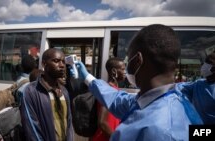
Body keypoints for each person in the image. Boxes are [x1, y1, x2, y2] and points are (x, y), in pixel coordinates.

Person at [72, 24, 203, 141]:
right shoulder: (174, 98)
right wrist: (88, 77)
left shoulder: (161, 131)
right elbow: (116, 99)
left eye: (128, 59)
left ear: (138, 60)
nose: (126, 67)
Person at [20, 48, 73, 141]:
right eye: (56, 61)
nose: (61, 65)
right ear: (44, 64)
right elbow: (32, 129)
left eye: (63, 62)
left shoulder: (64, 91)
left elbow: (69, 124)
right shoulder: (31, 91)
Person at [91, 57, 125, 141]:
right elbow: (102, 123)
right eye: (123, 69)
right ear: (114, 71)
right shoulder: (108, 90)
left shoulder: (115, 90)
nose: (125, 72)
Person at [177, 52, 215, 124]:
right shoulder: (198, 84)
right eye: (204, 62)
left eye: (209, 63)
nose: (204, 65)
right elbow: (180, 87)